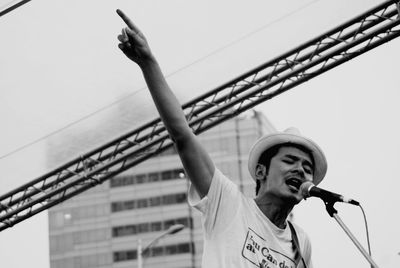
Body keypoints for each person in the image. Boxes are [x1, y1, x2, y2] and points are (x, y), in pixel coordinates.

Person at [116, 9, 327, 268]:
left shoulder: (300, 242)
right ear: (261, 171)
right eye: (291, 161)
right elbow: (182, 135)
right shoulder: (227, 204)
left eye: (307, 167)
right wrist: (147, 62)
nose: (301, 170)